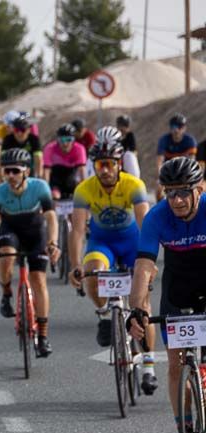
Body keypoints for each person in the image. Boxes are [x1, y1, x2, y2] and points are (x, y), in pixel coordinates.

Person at [127, 158, 206, 433]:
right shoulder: (157, 217)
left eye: (184, 192)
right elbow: (144, 266)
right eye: (170, 193)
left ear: (198, 189)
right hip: (178, 286)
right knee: (175, 365)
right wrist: (137, 308)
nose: (177, 200)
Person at [68, 133, 154, 391]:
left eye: (110, 164)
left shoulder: (133, 184)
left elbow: (145, 224)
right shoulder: (84, 189)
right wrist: (76, 265)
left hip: (131, 243)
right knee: (94, 273)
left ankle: (148, 365)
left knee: (142, 304)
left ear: (119, 163)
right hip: (102, 243)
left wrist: (147, 261)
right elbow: (78, 231)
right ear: (93, 166)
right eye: (99, 165)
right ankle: (105, 314)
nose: (105, 170)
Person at [0, 148, 60, 357]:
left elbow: (52, 218)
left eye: (15, 171)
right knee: (6, 256)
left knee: (38, 280)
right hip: (11, 231)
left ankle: (43, 337)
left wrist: (53, 243)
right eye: (6, 171)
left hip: (36, 233)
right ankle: (6, 292)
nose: (9, 176)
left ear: (26, 171)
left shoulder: (40, 187)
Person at [155, 114, 199, 202]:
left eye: (180, 127)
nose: (176, 130)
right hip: (168, 172)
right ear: (170, 128)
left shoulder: (190, 141)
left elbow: (192, 162)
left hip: (184, 172)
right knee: (159, 190)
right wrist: (161, 178)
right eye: (173, 126)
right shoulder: (164, 140)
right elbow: (159, 162)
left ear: (184, 128)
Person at [41, 124, 88, 201]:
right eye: (62, 140)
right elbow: (46, 172)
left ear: (74, 140)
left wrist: (85, 191)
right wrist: (46, 191)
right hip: (55, 183)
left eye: (68, 140)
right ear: (57, 140)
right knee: (54, 197)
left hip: (72, 182)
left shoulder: (80, 149)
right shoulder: (50, 148)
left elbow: (82, 171)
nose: (65, 143)